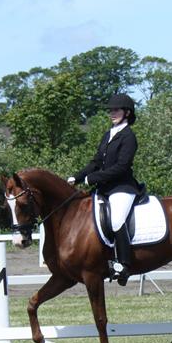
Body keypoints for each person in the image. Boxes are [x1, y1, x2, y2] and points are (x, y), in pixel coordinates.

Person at [68, 93, 141, 285]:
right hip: (105, 189)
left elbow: (121, 167)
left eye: (116, 110)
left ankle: (124, 265)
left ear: (126, 112)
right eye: (111, 110)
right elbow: (96, 161)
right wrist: (76, 176)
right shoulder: (109, 134)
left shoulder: (129, 137)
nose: (112, 113)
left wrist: (92, 178)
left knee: (116, 220)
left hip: (122, 188)